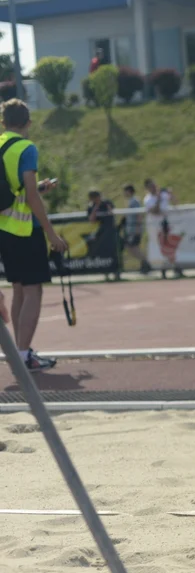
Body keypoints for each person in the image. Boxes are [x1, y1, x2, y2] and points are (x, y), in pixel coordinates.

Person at [0, 99, 68, 371]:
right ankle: (25, 354)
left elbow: (13, 189)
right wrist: (51, 233)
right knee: (33, 290)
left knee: (18, 290)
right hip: (25, 228)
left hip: (3, 228)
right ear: (28, 122)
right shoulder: (26, 148)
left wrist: (38, 187)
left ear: (4, 122)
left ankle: (20, 352)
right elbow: (28, 195)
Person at [145, 178, 180, 279]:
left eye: (155, 185)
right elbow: (154, 211)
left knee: (172, 245)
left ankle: (176, 267)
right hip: (156, 227)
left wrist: (171, 194)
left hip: (168, 224)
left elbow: (176, 203)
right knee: (161, 247)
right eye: (151, 186)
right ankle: (162, 269)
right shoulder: (148, 199)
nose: (154, 188)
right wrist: (159, 200)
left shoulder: (164, 195)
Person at [86, 189, 118, 280]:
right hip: (101, 232)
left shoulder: (107, 203)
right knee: (103, 252)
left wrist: (108, 208)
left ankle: (116, 273)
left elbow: (112, 213)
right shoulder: (91, 207)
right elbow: (91, 220)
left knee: (113, 251)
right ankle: (106, 272)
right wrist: (95, 208)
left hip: (111, 230)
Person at [120, 184, 151, 274]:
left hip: (134, 229)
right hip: (131, 229)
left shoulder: (135, 201)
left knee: (132, 247)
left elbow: (139, 215)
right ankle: (144, 263)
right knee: (130, 247)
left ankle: (146, 263)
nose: (124, 194)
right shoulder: (131, 201)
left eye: (125, 191)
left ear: (129, 191)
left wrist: (137, 226)